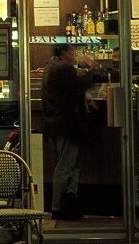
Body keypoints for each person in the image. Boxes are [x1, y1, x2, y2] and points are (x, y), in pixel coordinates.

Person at [42, 44, 97, 220]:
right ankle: (58, 207)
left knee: (69, 165)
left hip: (54, 124)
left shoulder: (50, 67)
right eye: (73, 51)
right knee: (65, 167)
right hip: (66, 124)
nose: (75, 54)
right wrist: (91, 69)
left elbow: (68, 93)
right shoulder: (64, 68)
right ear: (64, 52)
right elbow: (78, 87)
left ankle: (69, 202)